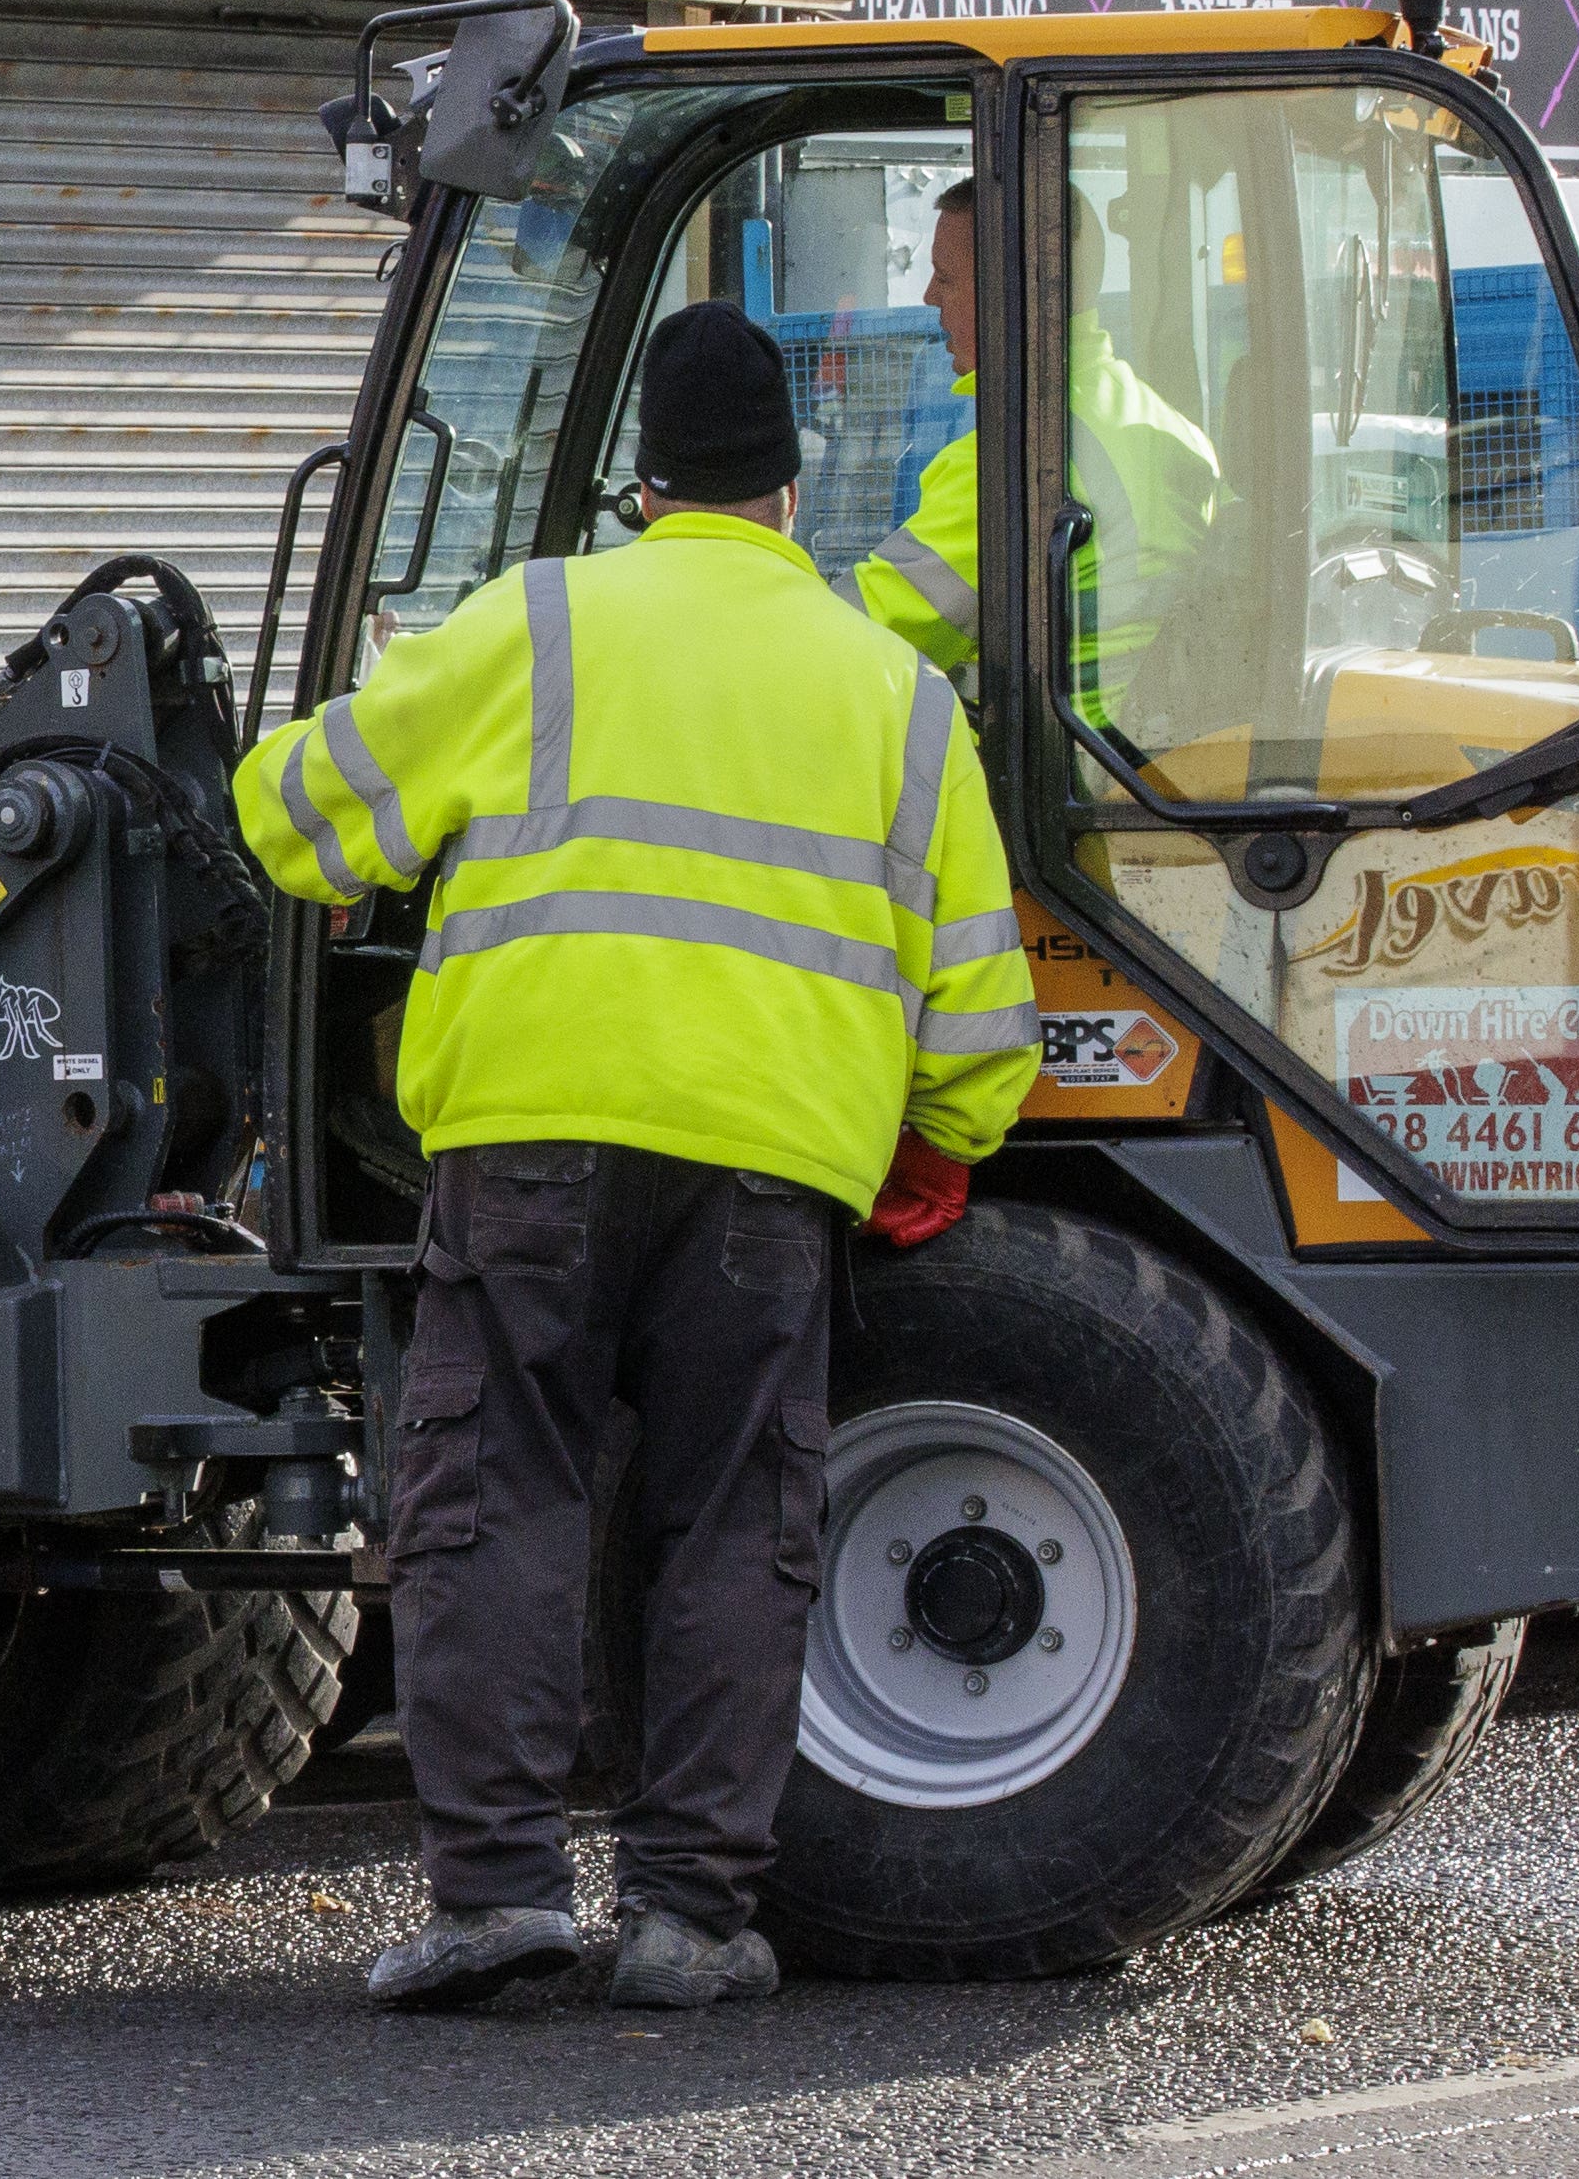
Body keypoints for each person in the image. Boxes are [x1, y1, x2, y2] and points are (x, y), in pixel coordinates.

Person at [236, 305, 1037, 2015]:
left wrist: (296, 735)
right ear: (787, 487)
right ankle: (686, 1914)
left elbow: (299, 823)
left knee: (491, 1497)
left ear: (642, 479)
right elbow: (979, 1025)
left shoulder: (533, 620)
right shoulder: (889, 689)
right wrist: (934, 1142)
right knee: (731, 1520)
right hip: (768, 1168)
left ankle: (497, 1897)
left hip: (528, 1134)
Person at [855, 177, 1219, 678]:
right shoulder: (1175, 431)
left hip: (1034, 752)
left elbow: (862, 638)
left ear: (1014, 290)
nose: (929, 296)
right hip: (1119, 743)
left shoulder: (1014, 459)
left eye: (945, 277)